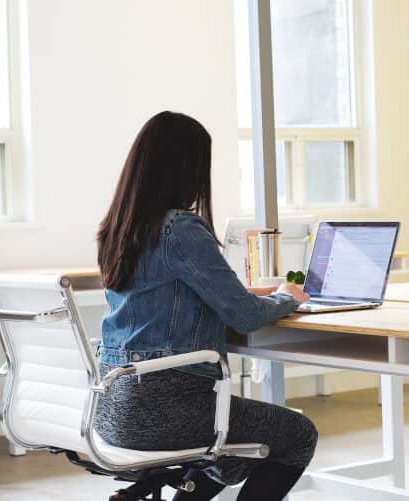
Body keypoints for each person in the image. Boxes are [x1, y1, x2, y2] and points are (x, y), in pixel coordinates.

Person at [95, 111, 317, 500]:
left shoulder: (118, 228)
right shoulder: (181, 228)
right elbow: (245, 317)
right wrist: (288, 298)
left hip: (113, 407)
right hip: (168, 406)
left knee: (239, 447)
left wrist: (251, 295)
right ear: (187, 168)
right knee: (297, 434)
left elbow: (171, 299)